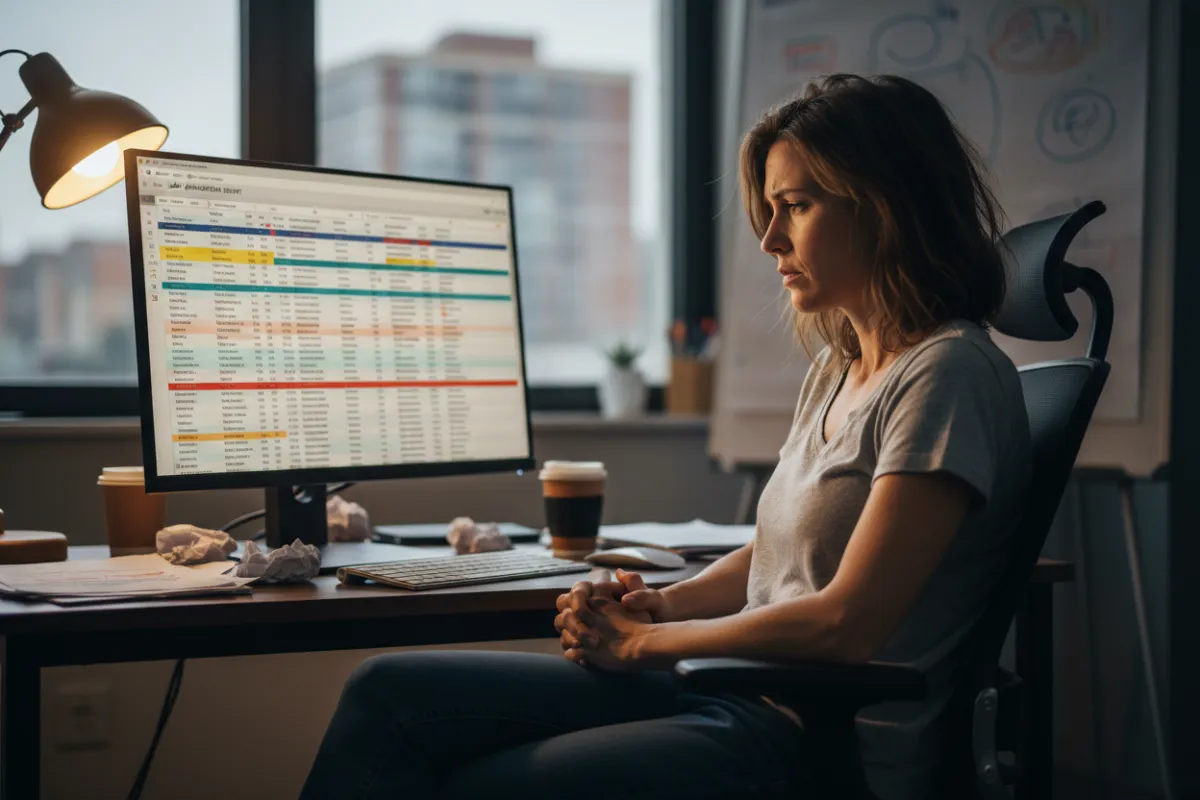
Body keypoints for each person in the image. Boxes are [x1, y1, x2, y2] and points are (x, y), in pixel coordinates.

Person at [299, 73, 1031, 800]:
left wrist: (645, 645)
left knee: (478, 785)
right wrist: (664, 605)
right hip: (735, 692)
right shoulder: (839, 370)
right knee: (387, 692)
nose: (770, 238)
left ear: (886, 208)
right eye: (771, 210)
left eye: (796, 207)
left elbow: (846, 623)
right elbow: (778, 558)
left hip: (809, 735)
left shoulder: (948, 374)